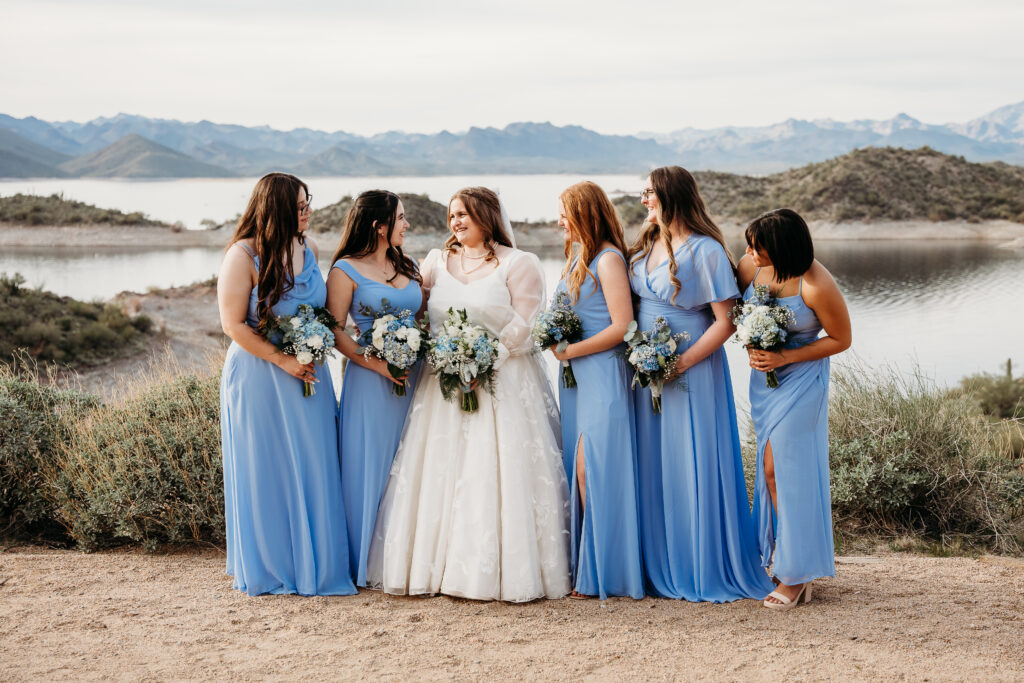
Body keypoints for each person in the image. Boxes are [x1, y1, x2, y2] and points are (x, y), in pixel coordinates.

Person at [366, 186, 571, 602]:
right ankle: (438, 569)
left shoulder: (520, 263)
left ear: (487, 216)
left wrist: (485, 361)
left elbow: (527, 323)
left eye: (464, 214)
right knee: (442, 474)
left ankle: (498, 573)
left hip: (503, 385)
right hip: (441, 386)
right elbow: (420, 317)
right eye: (452, 215)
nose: (456, 222)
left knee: (493, 474)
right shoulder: (436, 262)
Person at [628, 166, 774, 602]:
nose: (643, 200)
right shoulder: (648, 242)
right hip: (645, 369)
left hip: (692, 371)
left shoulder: (706, 251)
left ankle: (699, 562)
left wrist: (681, 363)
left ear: (670, 195)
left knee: (689, 462)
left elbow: (726, 321)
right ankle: (657, 564)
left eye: (649, 193)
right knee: (654, 466)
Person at [218, 172, 355, 596]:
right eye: (299, 206)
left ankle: (316, 561)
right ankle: (274, 564)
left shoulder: (308, 249)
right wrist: (281, 358)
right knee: (267, 466)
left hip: (308, 374)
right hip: (260, 375)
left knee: (316, 461)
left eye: (308, 202)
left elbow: (325, 315)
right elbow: (232, 324)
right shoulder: (243, 255)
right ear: (277, 208)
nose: (308, 211)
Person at [738, 208, 851, 610]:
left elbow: (841, 339)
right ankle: (781, 558)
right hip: (764, 386)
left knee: (782, 470)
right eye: (749, 245)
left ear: (782, 248)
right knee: (769, 468)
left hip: (802, 382)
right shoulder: (751, 268)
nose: (750, 252)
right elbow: (729, 309)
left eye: (758, 246)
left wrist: (785, 357)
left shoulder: (816, 284)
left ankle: (795, 575)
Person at [548, 181, 643, 600]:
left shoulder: (608, 260)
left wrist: (571, 350)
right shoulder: (577, 258)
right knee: (580, 470)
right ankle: (587, 569)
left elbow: (622, 327)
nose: (559, 221)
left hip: (602, 372)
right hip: (575, 379)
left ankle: (605, 572)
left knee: (594, 470)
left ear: (585, 213)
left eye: (565, 212)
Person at [325, 190, 423, 588]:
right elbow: (334, 331)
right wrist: (379, 365)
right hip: (369, 379)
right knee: (372, 464)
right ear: (378, 226)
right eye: (400, 218)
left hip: (414, 378)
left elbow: (423, 316)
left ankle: (407, 559)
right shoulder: (344, 270)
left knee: (414, 461)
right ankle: (365, 560)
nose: (406, 224)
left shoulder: (410, 264)